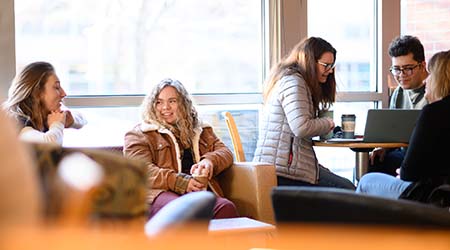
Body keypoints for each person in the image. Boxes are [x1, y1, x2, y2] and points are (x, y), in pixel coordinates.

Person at [123, 78, 238, 219]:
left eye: (172, 101)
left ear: (183, 103)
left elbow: (225, 153)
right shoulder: (139, 134)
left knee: (226, 208)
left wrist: (209, 161)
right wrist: (180, 182)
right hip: (159, 193)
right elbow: (141, 170)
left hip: (198, 190)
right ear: (152, 105)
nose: (165, 107)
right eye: (159, 102)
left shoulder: (201, 129)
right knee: (181, 210)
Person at [252, 37, 355, 190]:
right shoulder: (294, 82)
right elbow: (301, 127)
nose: (330, 70)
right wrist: (328, 124)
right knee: (348, 189)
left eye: (332, 65)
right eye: (326, 65)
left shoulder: (290, 80)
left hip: (283, 167)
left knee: (345, 186)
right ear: (309, 61)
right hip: (284, 173)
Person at [357, 50, 450, 202]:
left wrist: (405, 173)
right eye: (397, 69)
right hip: (439, 187)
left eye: (431, 74)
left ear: (441, 79)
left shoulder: (434, 112)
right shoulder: (399, 94)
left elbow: (409, 172)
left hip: (433, 194)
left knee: (366, 181)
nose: (427, 80)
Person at [368, 35, 429, 176]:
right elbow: (394, 131)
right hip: (404, 154)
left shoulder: (436, 90)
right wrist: (384, 147)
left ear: (422, 65)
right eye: (396, 69)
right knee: (373, 162)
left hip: (426, 157)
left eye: (408, 69)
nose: (401, 75)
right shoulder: (398, 93)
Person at [2, 61, 86, 145]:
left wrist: (70, 120)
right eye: (57, 87)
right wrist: (57, 124)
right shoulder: (18, 121)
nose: (64, 93)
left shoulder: (45, 111)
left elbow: (82, 118)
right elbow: (49, 146)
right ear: (38, 92)